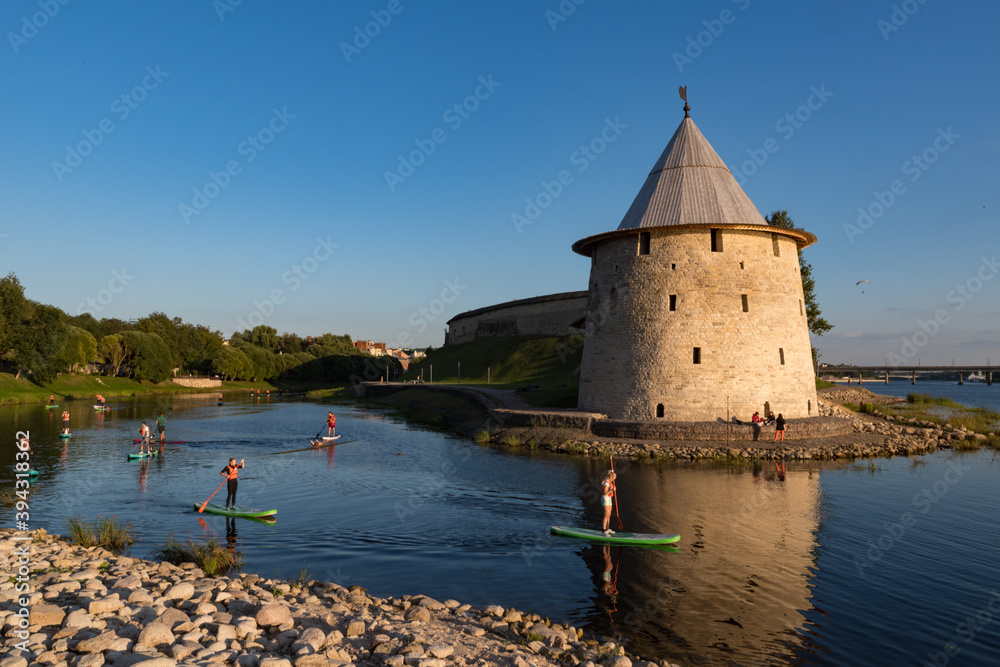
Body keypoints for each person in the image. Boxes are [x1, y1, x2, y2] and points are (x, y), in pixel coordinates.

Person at [600, 470, 617, 536]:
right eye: (613, 478)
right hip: (605, 499)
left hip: (609, 499)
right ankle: (603, 532)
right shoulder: (606, 483)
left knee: (609, 514)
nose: (613, 480)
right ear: (610, 477)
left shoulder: (609, 482)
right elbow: (605, 493)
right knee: (606, 515)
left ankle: (607, 529)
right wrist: (612, 490)